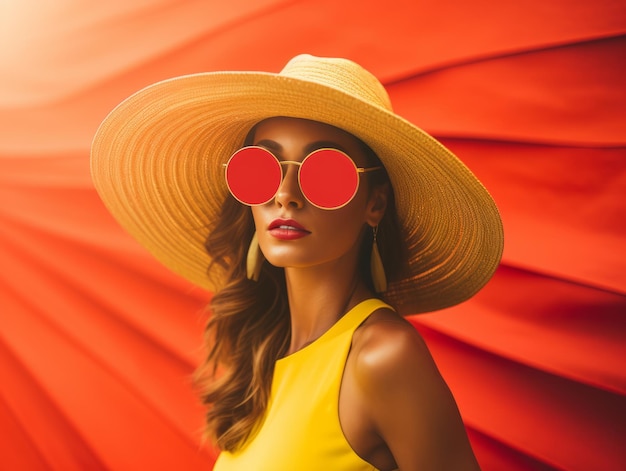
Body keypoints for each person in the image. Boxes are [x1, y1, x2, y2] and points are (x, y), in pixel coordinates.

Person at [91, 54, 503, 470]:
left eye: (325, 171)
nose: (285, 194)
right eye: (260, 168)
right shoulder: (263, 357)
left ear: (374, 203)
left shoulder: (382, 358)